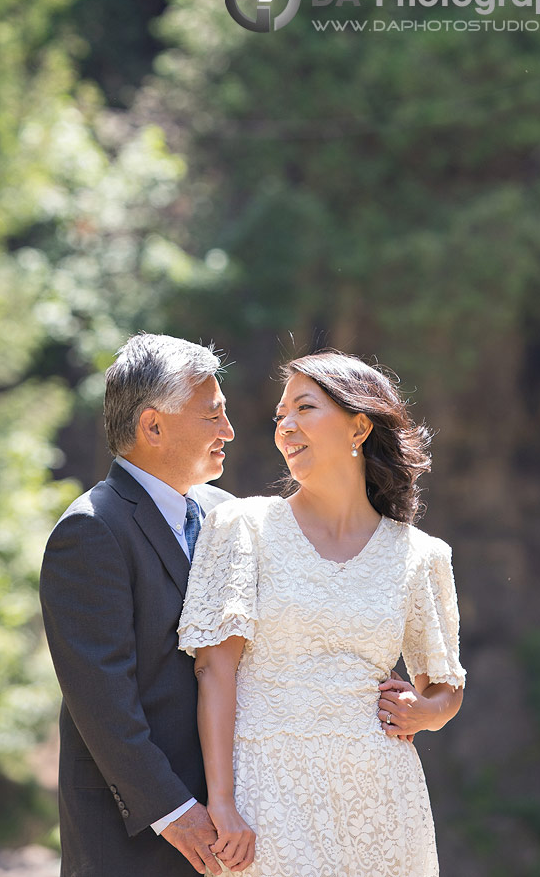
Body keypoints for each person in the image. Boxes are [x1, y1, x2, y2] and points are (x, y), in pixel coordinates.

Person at [178, 349, 466, 877]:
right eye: (279, 416)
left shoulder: (422, 555)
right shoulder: (242, 527)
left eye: (304, 408)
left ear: (359, 427)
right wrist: (222, 802)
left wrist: (425, 713)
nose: (284, 426)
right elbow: (214, 670)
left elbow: (444, 685)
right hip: (267, 790)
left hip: (381, 793)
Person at [40, 333, 237, 877]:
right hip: (136, 841)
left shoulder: (228, 513)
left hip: (234, 824)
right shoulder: (91, 530)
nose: (229, 431)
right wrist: (174, 813)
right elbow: (103, 700)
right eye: (212, 416)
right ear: (152, 426)